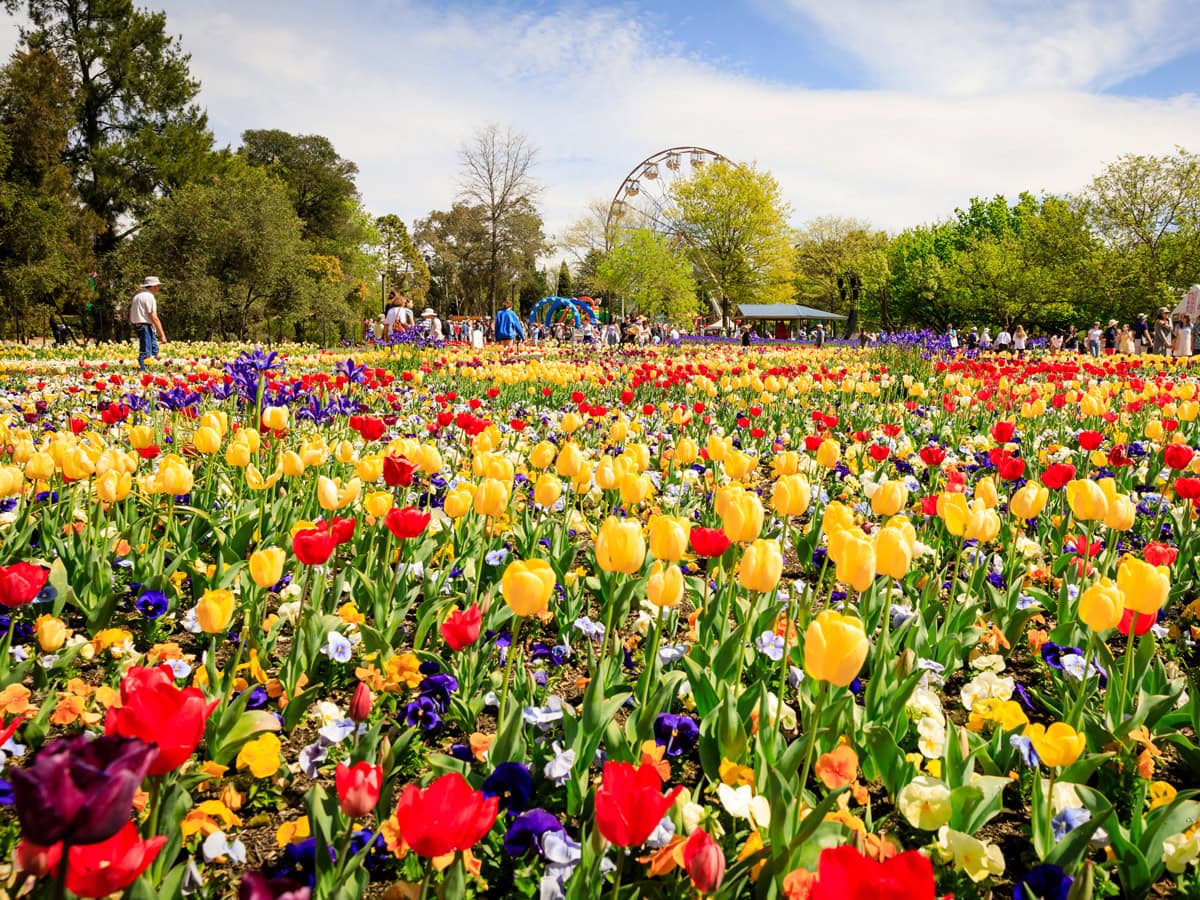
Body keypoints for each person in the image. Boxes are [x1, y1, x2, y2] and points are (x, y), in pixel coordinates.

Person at [129, 276, 166, 370]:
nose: (158, 288)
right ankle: (143, 371)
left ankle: (152, 368)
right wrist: (162, 335)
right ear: (153, 286)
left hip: (139, 324)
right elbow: (154, 317)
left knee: (154, 349)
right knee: (146, 351)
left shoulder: (138, 296)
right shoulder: (149, 297)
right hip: (144, 325)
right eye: (158, 286)